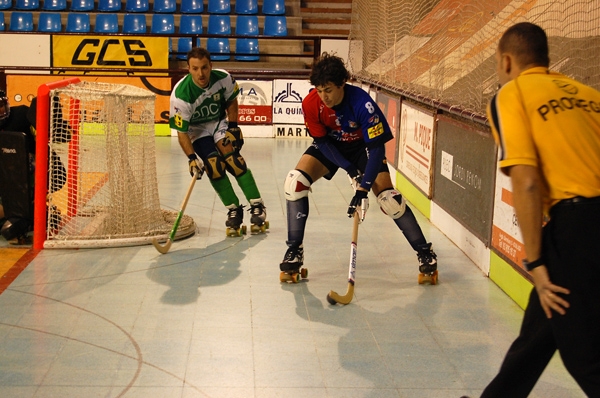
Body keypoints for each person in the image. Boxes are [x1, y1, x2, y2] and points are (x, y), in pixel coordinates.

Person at [480, 22, 600, 397]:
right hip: (585, 227)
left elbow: (527, 181)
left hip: (579, 226)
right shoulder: (588, 94)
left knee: (584, 356)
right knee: (538, 333)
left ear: (507, 61)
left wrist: (536, 264)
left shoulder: (510, 95)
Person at [280, 53, 438, 278]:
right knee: (294, 183)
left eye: (329, 90)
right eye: (319, 89)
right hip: (332, 148)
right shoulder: (311, 103)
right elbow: (323, 142)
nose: (323, 96)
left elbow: (376, 150)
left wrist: (363, 187)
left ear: (342, 84)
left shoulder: (362, 104)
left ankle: (424, 251)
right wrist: (349, 169)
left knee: (389, 200)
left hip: (363, 148)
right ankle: (294, 250)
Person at [169, 47, 267, 234]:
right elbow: (182, 133)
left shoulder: (222, 78)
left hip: (218, 122)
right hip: (196, 130)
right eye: (195, 68)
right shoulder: (181, 96)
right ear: (188, 68)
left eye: (204, 68)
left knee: (234, 160)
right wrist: (191, 158)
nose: (201, 73)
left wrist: (233, 126)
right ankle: (233, 209)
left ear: (211, 66)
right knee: (214, 165)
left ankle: (257, 205)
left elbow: (231, 100)